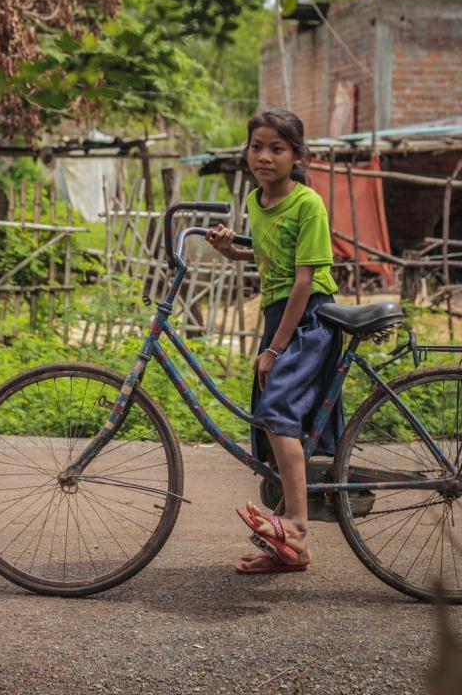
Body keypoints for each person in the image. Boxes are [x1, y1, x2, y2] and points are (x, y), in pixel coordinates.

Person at [205, 108, 341, 574]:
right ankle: (285, 549)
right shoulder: (259, 201)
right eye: (256, 146)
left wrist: (275, 349)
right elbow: (269, 260)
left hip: (309, 320)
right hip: (280, 316)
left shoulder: (308, 204)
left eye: (276, 148)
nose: (264, 156)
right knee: (271, 425)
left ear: (297, 155)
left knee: (278, 412)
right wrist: (231, 251)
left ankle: (297, 528)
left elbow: (303, 282)